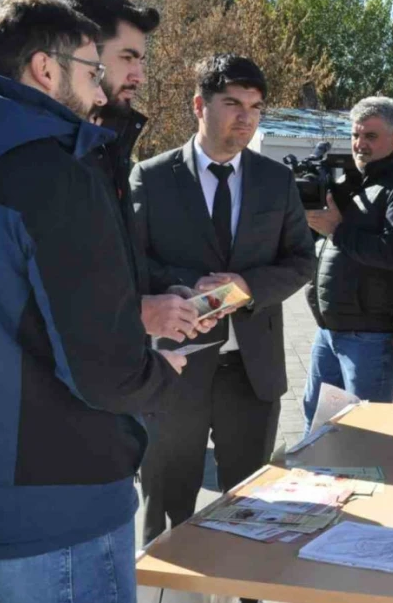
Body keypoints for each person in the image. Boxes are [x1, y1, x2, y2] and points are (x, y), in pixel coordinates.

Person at [0, 0, 194, 603]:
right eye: (91, 72)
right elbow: (104, 368)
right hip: (59, 510)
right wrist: (159, 375)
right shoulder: (51, 177)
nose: (101, 95)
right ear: (46, 69)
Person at [131, 54, 315, 545]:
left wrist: (247, 287)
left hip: (251, 373)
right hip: (177, 368)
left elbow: (301, 260)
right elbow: (132, 263)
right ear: (199, 105)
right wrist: (184, 287)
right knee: (168, 509)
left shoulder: (276, 181)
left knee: (254, 509)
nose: (246, 117)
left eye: (255, 106)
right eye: (232, 103)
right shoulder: (151, 177)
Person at [63, 0, 203, 343]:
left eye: (141, 60)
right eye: (128, 57)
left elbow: (107, 265)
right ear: (82, 50)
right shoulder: (47, 156)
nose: (140, 75)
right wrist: (138, 314)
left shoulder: (107, 148)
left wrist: (166, 293)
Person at [302, 96, 393, 425]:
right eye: (355, 135)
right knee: (317, 425)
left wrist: (336, 229)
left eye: (370, 136)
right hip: (328, 331)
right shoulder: (349, 183)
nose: (360, 144)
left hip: (370, 338)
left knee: (363, 434)